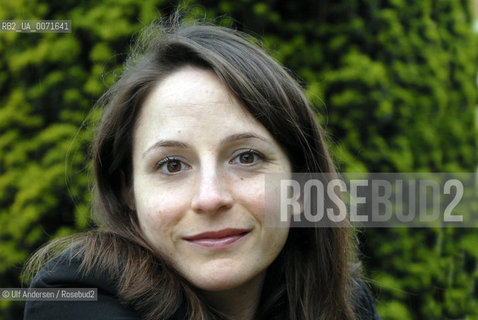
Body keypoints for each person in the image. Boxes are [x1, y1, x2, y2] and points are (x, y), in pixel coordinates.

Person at [23, 17, 381, 320]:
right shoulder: (73, 295)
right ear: (127, 190)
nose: (211, 198)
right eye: (172, 164)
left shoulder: (344, 301)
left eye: (246, 157)